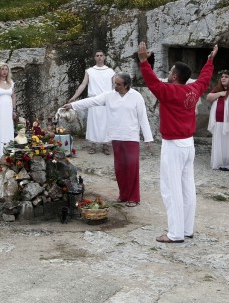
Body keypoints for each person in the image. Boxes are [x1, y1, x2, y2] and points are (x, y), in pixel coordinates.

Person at [137, 42, 218, 243]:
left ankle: (175, 233)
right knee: (187, 188)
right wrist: (210, 61)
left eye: (171, 71)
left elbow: (152, 82)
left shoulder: (170, 91)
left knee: (171, 189)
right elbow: (205, 78)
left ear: (174, 77)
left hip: (173, 145)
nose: (169, 73)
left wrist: (143, 62)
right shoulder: (194, 88)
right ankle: (187, 229)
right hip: (188, 145)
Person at [65, 72, 153, 206]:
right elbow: (91, 101)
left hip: (131, 138)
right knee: (120, 169)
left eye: (118, 84)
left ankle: (134, 198)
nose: (115, 86)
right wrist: (73, 105)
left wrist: (148, 138)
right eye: (114, 83)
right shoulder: (109, 96)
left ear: (126, 85)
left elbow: (143, 118)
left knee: (132, 168)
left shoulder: (136, 97)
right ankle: (123, 195)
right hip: (116, 137)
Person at [68, 49, 115, 155]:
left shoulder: (110, 71)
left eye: (101, 55)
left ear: (104, 57)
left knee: (106, 123)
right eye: (97, 55)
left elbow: (115, 85)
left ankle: (106, 145)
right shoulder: (89, 71)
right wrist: (74, 97)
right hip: (93, 100)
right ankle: (93, 145)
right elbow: (83, 84)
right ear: (95, 58)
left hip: (106, 101)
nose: (99, 57)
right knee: (93, 124)